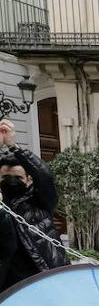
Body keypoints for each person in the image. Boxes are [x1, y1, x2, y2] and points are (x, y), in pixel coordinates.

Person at [0, 118, 65, 288]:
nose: (11, 181)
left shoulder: (40, 201)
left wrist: (14, 146)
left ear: (29, 180)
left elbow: (44, 176)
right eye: (6, 178)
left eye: (18, 178)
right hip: (7, 281)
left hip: (41, 276)